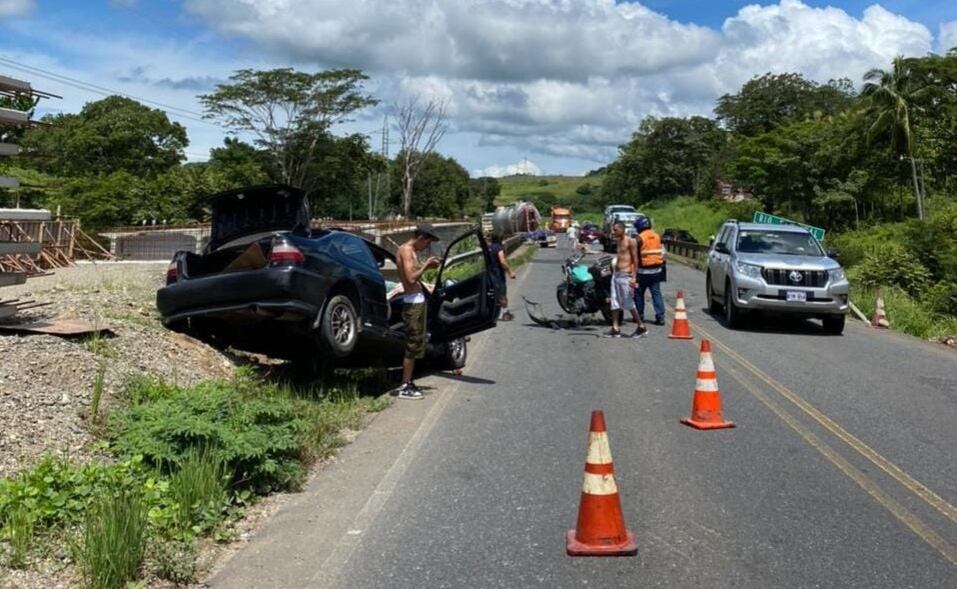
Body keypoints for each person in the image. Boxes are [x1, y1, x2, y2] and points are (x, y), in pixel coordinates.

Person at [394, 224, 441, 399]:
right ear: (421, 237)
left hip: (418, 301)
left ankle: (409, 381)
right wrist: (426, 265)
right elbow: (411, 278)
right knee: (412, 344)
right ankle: (405, 385)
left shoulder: (412, 251)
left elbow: (415, 272)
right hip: (412, 303)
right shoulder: (406, 250)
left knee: (417, 343)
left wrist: (429, 265)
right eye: (427, 243)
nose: (427, 247)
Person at [606, 222, 647, 338]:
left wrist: (634, 277)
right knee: (614, 301)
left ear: (622, 230)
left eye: (615, 230)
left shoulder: (631, 241)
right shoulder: (618, 241)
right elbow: (620, 256)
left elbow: (636, 260)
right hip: (616, 274)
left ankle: (641, 326)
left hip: (626, 275)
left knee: (628, 302)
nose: (613, 232)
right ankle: (615, 328)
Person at [633, 216, 666, 325]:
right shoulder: (657, 236)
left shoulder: (639, 238)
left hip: (642, 272)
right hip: (656, 271)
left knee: (638, 294)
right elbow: (663, 253)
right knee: (656, 293)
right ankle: (660, 317)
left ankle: (640, 316)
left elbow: (635, 257)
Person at [489, 234, 516, 320]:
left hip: (490, 273)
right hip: (498, 274)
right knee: (502, 293)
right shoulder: (499, 248)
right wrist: (510, 272)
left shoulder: (488, 248)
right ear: (500, 240)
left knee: (493, 293)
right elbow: (502, 261)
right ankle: (505, 314)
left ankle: (492, 314)